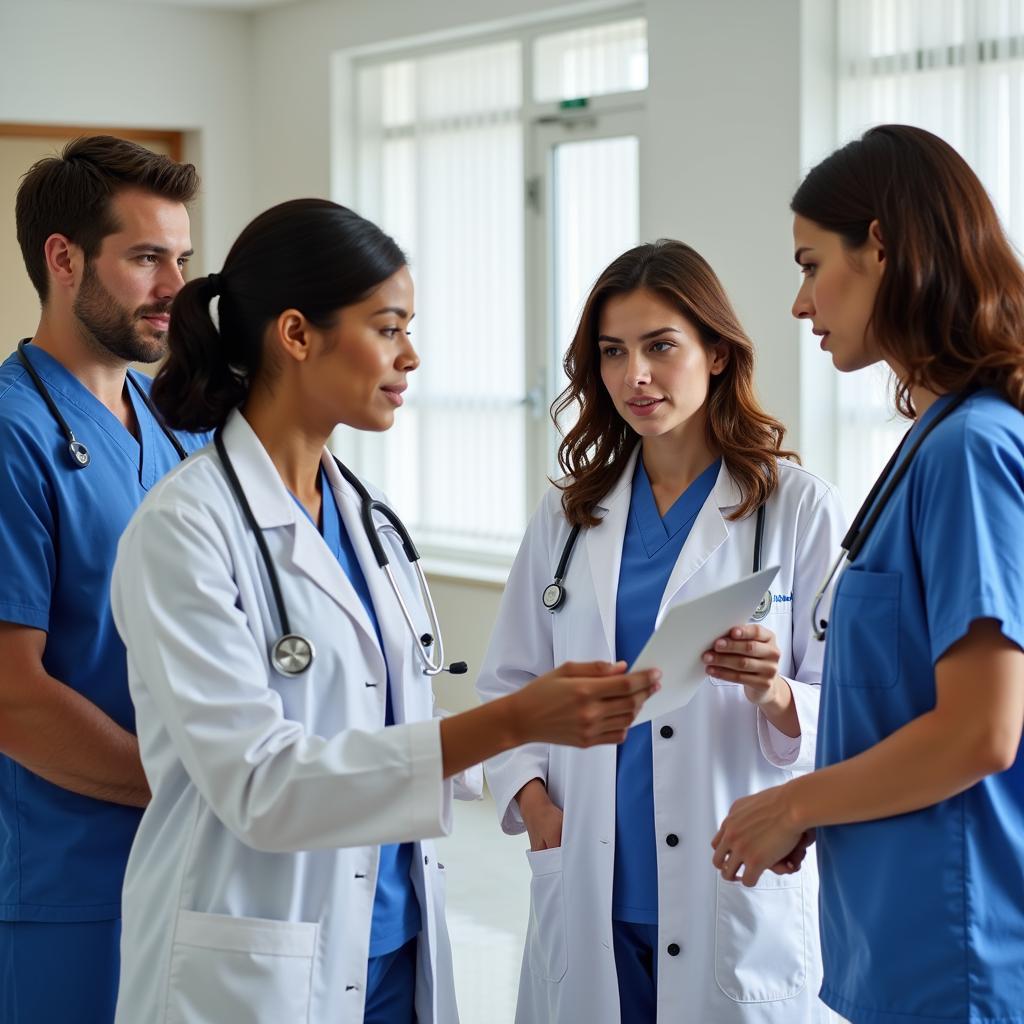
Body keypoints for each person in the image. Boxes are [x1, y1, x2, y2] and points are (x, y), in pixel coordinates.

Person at [108, 198, 660, 1024]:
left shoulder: (367, 518)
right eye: (389, 327)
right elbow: (262, 785)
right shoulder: (184, 530)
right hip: (262, 958)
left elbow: (385, 712)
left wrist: (539, 752)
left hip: (394, 950)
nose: (411, 356)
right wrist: (513, 723)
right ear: (296, 335)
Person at [475, 240, 844, 1023]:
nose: (634, 376)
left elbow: (848, 709)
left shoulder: (796, 508)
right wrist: (539, 811)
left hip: (732, 886)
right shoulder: (572, 515)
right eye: (613, 353)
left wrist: (774, 691)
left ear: (716, 353)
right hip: (588, 882)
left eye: (659, 347)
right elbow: (508, 685)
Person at [712, 124, 1024, 1024]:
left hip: (960, 955)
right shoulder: (932, 444)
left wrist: (794, 802)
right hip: (906, 939)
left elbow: (981, 733)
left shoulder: (970, 450)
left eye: (813, 265)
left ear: (880, 245)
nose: (802, 303)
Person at [0, 136, 206, 1024]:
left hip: (190, 865)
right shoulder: (13, 436)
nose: (175, 288)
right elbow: (12, 696)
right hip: (66, 884)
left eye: (182, 260)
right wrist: (209, 792)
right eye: (146, 258)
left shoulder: (180, 428)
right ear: (64, 259)